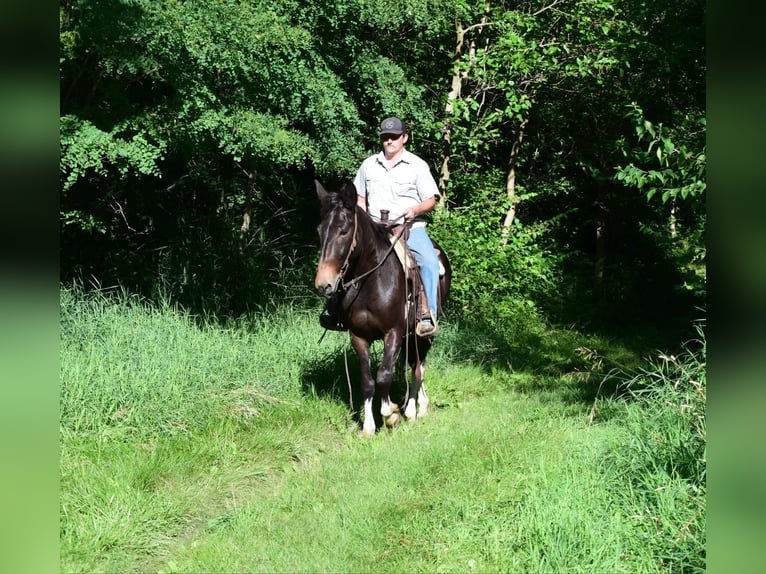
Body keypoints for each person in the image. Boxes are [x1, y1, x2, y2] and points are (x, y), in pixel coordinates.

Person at [356, 116, 442, 337]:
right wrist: (364, 218)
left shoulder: (417, 165)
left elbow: (431, 200)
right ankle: (335, 310)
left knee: (430, 262)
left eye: (394, 137)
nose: (389, 141)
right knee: (343, 254)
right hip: (374, 229)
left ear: (404, 138)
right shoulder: (368, 165)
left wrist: (414, 210)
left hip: (408, 228)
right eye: (385, 137)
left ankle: (426, 315)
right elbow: (360, 198)